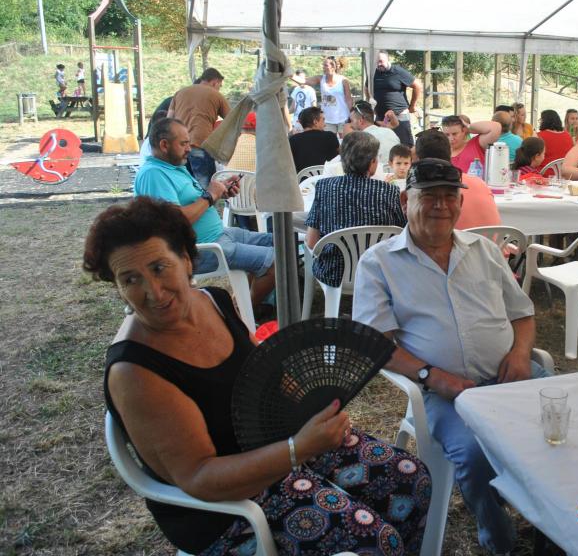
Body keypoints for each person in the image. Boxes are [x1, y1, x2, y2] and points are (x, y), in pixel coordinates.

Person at [84, 197, 430, 556]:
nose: (153, 292)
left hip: (282, 444)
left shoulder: (213, 300)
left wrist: (312, 406)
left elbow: (265, 369)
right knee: (376, 543)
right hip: (224, 510)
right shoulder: (135, 372)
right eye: (130, 279)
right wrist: (298, 449)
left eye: (159, 268)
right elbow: (199, 478)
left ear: (186, 260)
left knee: (411, 479)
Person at [352, 158, 548, 554]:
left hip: (512, 376)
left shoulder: (484, 250)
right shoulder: (379, 263)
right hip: (445, 394)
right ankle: (500, 538)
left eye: (450, 196)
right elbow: (376, 343)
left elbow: (522, 313)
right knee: (474, 457)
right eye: (429, 196)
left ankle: (553, 523)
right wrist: (432, 376)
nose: (441, 205)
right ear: (405, 200)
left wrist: (520, 352)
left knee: (562, 431)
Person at [134, 118, 276, 311]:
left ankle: (242, 303)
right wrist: (210, 196)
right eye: (183, 144)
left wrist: (220, 191)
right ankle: (239, 316)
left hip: (220, 235)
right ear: (164, 145)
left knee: (279, 243)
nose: (189, 149)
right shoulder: (154, 174)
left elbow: (193, 202)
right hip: (200, 249)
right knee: (274, 262)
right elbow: (174, 222)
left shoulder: (174, 167)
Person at [305, 132, 406, 288]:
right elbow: (401, 235)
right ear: (373, 162)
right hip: (379, 272)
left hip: (334, 273)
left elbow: (311, 242)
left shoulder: (324, 187)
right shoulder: (389, 191)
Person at [415, 129, 501, 230]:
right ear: (450, 153)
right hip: (497, 239)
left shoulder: (421, 192)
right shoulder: (480, 183)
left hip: (461, 239)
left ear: (417, 158)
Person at [167, 68, 231, 189]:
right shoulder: (216, 95)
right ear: (215, 82)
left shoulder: (180, 93)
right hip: (200, 144)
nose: (219, 88)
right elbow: (231, 120)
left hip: (178, 145)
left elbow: (169, 119)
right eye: (220, 85)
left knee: (184, 185)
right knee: (205, 186)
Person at [373, 51, 422, 146]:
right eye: (376, 62)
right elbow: (367, 87)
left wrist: (412, 106)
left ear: (388, 59)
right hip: (381, 118)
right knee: (383, 146)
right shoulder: (373, 73)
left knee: (405, 146)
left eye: (381, 61)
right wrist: (372, 103)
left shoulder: (398, 71)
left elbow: (417, 86)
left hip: (400, 116)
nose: (379, 64)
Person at [298, 56, 353, 135]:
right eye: (323, 65)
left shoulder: (343, 80)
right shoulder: (320, 79)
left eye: (325, 65)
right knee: (329, 140)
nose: (323, 67)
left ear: (333, 67)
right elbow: (303, 81)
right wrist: (289, 75)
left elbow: (349, 99)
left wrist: (351, 115)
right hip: (327, 119)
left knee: (344, 140)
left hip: (343, 117)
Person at [348, 100, 399, 178]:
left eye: (351, 120)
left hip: (377, 178)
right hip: (396, 175)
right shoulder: (389, 132)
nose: (351, 125)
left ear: (360, 120)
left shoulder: (360, 140)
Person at [288, 106, 339, 173]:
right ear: (315, 122)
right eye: (323, 120)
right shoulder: (330, 136)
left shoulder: (293, 140)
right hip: (327, 177)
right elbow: (338, 159)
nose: (325, 124)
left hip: (303, 178)